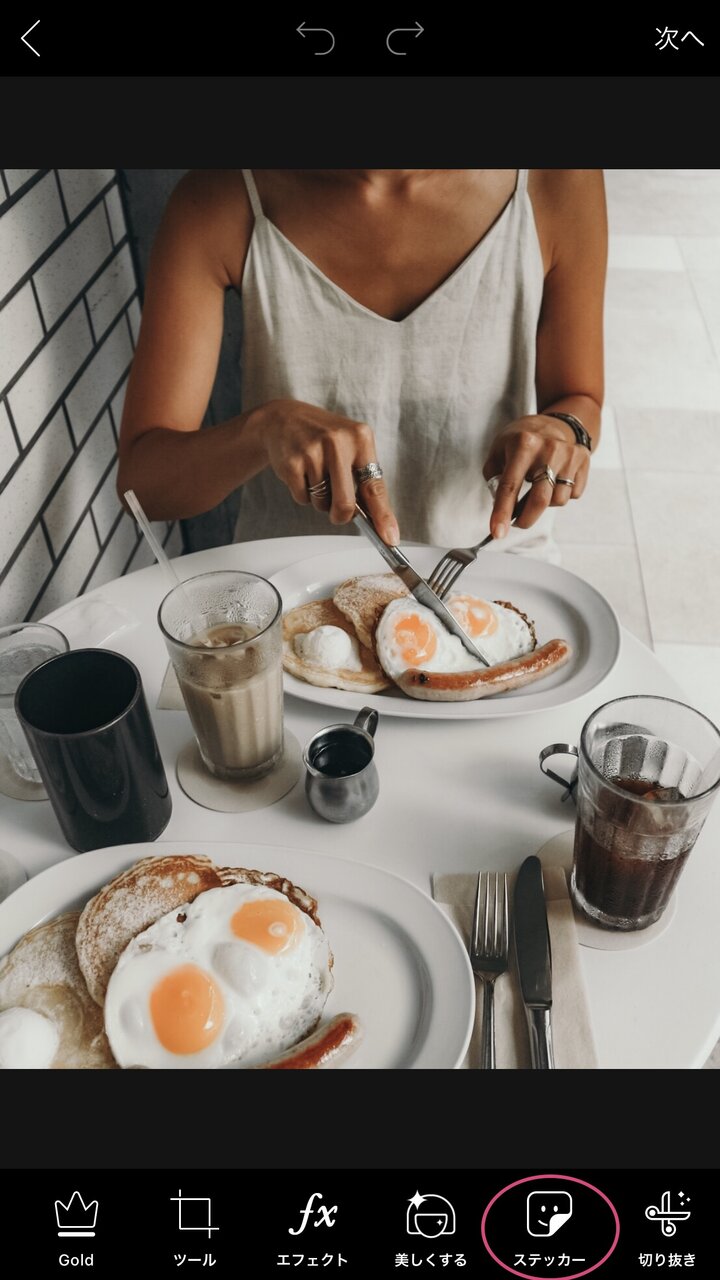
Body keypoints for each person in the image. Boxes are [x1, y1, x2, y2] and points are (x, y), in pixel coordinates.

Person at [117, 169, 607, 561]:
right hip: (293, 592)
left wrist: (564, 432)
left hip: (496, 577)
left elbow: (579, 397)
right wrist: (264, 429)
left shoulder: (556, 181)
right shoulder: (219, 199)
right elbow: (145, 485)